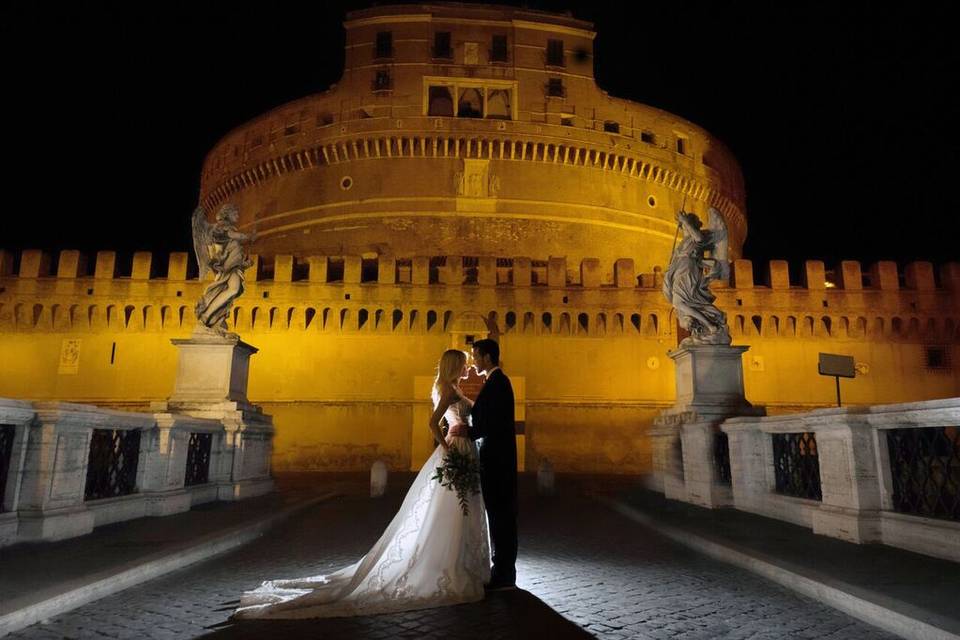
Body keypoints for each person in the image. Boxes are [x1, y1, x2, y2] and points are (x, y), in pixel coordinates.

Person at [233, 349, 489, 619]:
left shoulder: (448, 388)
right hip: (455, 450)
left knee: (453, 507)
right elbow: (432, 423)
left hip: (462, 449)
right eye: (463, 364)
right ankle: (451, 564)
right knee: (452, 508)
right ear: (454, 366)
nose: (468, 368)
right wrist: (448, 447)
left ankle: (456, 560)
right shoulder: (448, 390)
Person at [468, 338, 518, 590]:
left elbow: (491, 422)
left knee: (501, 515)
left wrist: (466, 432)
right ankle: (502, 570)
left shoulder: (499, 382)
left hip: (498, 462)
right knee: (499, 515)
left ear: (487, 357)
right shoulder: (495, 382)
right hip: (496, 459)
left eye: (476, 355)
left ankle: (504, 573)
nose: (473, 360)